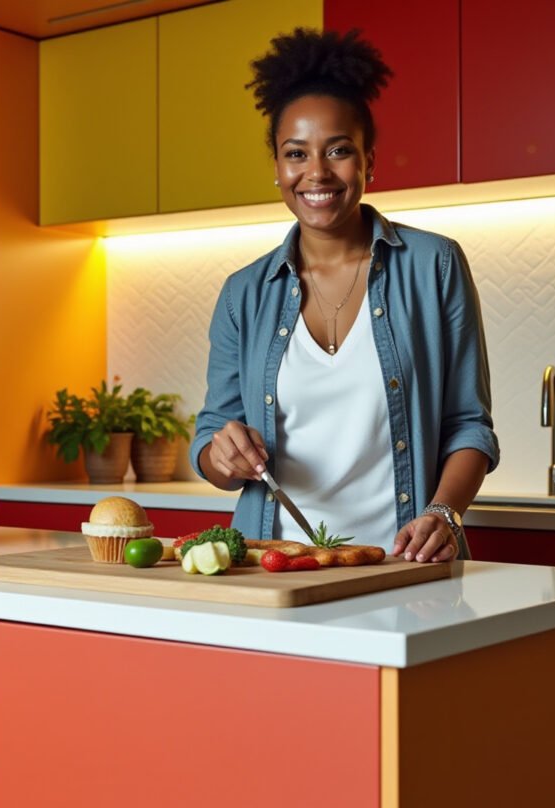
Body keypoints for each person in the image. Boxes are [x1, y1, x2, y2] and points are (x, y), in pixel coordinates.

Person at [190, 28, 498, 563]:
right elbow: (212, 438)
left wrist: (444, 514)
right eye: (296, 153)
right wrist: (222, 456)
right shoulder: (244, 293)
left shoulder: (435, 265)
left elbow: (469, 424)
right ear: (277, 168)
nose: (317, 172)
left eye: (338, 150)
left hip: (406, 566)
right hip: (277, 566)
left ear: (369, 161)